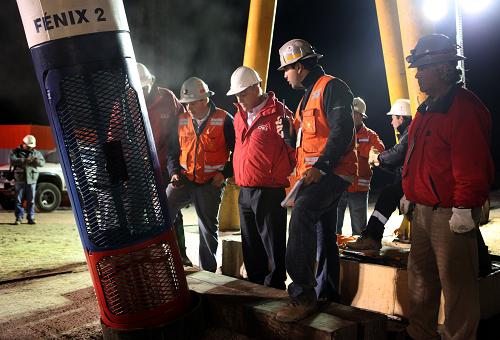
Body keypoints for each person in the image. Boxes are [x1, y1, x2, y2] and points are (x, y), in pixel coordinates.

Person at [401, 34, 493, 340]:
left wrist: (465, 208)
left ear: (442, 68)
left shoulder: (463, 108)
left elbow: (471, 163)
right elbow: (417, 157)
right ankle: (420, 334)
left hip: (450, 214)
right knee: (420, 281)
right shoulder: (427, 109)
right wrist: (409, 192)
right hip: (424, 210)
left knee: (457, 287)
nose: (416, 74)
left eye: (422, 68)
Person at [274, 39, 357, 322]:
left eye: (287, 69)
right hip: (319, 175)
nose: (284, 74)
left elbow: (342, 130)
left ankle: (302, 297)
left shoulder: (332, 87)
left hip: (332, 172)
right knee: (324, 232)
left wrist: (321, 167)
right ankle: (327, 294)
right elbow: (306, 141)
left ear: (299, 66)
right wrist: (287, 132)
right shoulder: (307, 96)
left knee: (303, 212)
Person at [227, 65, 295, 290]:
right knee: (250, 242)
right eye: (236, 94)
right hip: (245, 190)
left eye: (243, 93)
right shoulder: (239, 115)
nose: (240, 98)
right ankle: (256, 283)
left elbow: (294, 150)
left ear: (257, 87)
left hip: (268, 190)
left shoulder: (281, 113)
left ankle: (275, 284)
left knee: (273, 242)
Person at [166, 77, 235, 272]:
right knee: (164, 211)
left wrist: (225, 173)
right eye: (186, 104)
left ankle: (208, 271)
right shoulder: (181, 120)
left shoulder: (224, 119)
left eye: (192, 104)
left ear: (204, 100)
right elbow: (172, 151)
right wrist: (174, 173)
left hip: (209, 183)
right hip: (184, 180)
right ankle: (167, 260)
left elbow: (239, 151)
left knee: (207, 229)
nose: (188, 108)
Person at [136, 63, 193, 266]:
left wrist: (177, 166)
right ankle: (150, 254)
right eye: (138, 89)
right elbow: (114, 133)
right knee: (143, 213)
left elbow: (185, 126)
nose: (141, 92)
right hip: (140, 170)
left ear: (151, 82)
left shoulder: (168, 98)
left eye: (144, 88)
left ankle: (180, 253)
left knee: (171, 210)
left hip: (166, 166)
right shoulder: (127, 99)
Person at [346, 98, 412, 250]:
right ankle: (371, 236)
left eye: (393, 118)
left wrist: (376, 157)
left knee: (387, 196)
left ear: (401, 118)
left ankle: (370, 238)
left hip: (358, 188)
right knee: (388, 195)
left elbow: (395, 154)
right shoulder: (408, 132)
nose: (391, 122)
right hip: (341, 186)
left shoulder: (408, 133)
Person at [336, 97, 384, 235]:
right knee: (333, 227)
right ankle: (332, 252)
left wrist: (357, 148)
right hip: (339, 185)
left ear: (361, 116)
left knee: (359, 229)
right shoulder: (338, 131)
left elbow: (379, 152)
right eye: (349, 112)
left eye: (353, 113)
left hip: (359, 187)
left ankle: (357, 253)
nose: (350, 115)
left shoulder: (370, 135)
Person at [10, 135, 45, 225]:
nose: (30, 148)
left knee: (31, 200)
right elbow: (12, 160)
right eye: (29, 146)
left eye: (31, 146)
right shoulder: (16, 151)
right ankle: (18, 218)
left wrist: (36, 161)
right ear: (24, 144)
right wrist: (25, 160)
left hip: (32, 180)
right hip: (20, 179)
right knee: (18, 200)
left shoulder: (36, 153)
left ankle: (31, 218)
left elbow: (42, 163)